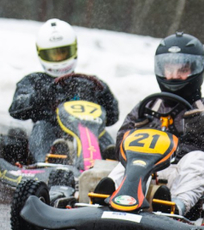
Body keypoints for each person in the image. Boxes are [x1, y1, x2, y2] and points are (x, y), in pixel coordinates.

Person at [105, 32, 204, 216]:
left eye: (182, 70)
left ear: (196, 70)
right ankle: (108, 196)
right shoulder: (149, 105)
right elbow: (121, 142)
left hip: (184, 175)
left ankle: (175, 207)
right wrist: (138, 132)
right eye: (169, 69)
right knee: (127, 162)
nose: (174, 76)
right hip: (146, 171)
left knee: (197, 158)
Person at [8, 18, 120, 162]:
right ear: (42, 54)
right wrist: (41, 96)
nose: (59, 58)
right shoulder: (34, 81)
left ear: (74, 49)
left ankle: (111, 159)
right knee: (42, 127)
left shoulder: (89, 83)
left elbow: (112, 116)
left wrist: (104, 94)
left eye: (63, 53)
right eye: (54, 54)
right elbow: (16, 108)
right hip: (51, 131)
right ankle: (48, 160)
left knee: (100, 131)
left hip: (85, 132)